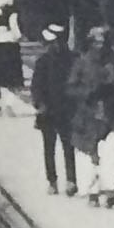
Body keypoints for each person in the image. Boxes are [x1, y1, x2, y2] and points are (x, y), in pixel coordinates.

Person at [69, 27, 114, 207]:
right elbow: (70, 89)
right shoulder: (81, 63)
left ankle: (110, 192)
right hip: (88, 117)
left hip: (110, 116)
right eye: (96, 42)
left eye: (103, 42)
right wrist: (88, 92)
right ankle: (92, 192)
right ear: (90, 42)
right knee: (88, 156)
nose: (100, 46)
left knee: (112, 154)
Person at [28, 24, 81, 196]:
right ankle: (53, 181)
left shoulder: (74, 59)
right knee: (50, 147)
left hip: (67, 109)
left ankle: (71, 180)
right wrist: (40, 104)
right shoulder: (43, 62)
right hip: (49, 111)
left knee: (68, 146)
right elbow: (36, 86)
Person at [0, 3, 27, 115]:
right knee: (15, 83)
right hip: (11, 54)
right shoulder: (16, 21)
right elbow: (19, 36)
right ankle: (9, 104)